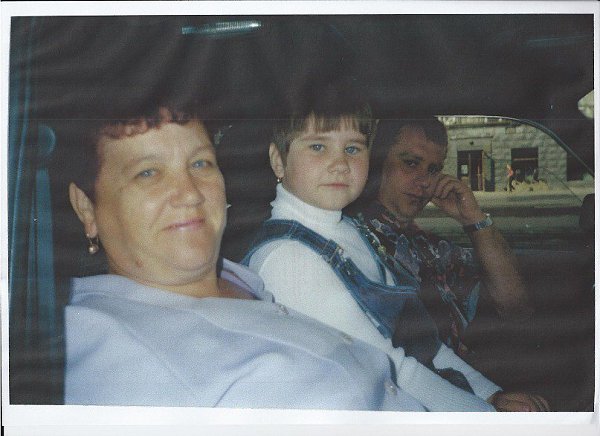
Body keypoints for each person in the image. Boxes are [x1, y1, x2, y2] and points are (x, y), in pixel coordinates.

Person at [61, 100, 426, 411]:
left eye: (200, 163)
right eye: (148, 172)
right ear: (86, 207)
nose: (190, 193)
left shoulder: (241, 280)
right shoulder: (107, 346)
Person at [242, 98, 548, 412]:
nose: (340, 164)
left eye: (352, 149)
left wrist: (490, 395)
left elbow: (425, 343)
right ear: (278, 161)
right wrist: (489, 418)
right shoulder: (289, 257)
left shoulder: (351, 232)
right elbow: (389, 370)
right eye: (318, 147)